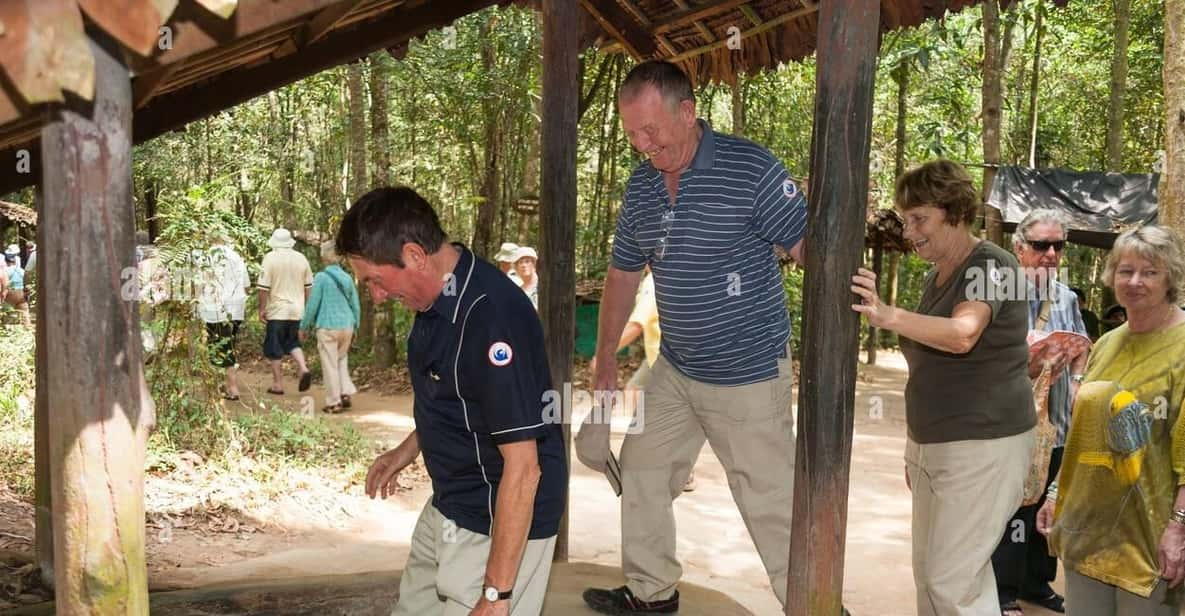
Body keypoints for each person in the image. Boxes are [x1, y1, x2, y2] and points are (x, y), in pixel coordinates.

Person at [579, 60, 805, 614]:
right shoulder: (642, 187)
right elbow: (623, 275)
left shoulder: (750, 169)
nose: (642, 144)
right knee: (643, 470)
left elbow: (811, 251)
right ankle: (652, 591)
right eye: (632, 134)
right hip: (677, 369)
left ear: (688, 111)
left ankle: (812, 605)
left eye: (651, 130)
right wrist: (606, 355)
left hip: (748, 372)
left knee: (771, 503)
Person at [338, 186, 566, 616]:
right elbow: (456, 396)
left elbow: (524, 467)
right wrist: (407, 450)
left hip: (496, 517)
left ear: (415, 255)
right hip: (450, 502)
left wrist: (497, 594)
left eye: (376, 281)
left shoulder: (491, 320)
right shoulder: (435, 300)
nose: (377, 296)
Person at [851, 159, 1036, 616]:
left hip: (984, 445)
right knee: (932, 578)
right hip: (938, 446)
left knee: (952, 582)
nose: (910, 232)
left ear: (953, 211)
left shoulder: (994, 264)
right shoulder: (937, 278)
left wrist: (886, 314)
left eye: (920, 219)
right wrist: (918, 449)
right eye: (907, 219)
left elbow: (962, 334)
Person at [1037, 225, 1185, 616]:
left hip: (1149, 540)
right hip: (1088, 528)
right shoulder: (1106, 343)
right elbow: (1084, 433)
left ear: (1170, 277)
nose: (1135, 281)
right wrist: (1056, 493)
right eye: (1125, 270)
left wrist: (1179, 528)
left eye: (1149, 272)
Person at [991, 210, 1089, 616]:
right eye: (1040, 245)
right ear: (1018, 248)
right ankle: (1003, 590)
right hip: (1014, 420)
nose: (1050, 254)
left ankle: (1037, 583)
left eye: (1058, 246)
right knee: (1014, 506)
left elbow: (1083, 346)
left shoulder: (1066, 298)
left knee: (1048, 501)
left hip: (1057, 424)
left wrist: (1076, 365)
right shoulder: (998, 291)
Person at [299, 241, 361, 414]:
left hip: (328, 326)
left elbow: (312, 305)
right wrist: (356, 325)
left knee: (330, 364)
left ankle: (334, 402)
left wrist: (304, 326)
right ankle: (344, 393)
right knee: (341, 360)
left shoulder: (321, 278)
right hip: (347, 325)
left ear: (323, 257)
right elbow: (355, 304)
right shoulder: (347, 278)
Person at [195, 232, 251, 400]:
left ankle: (231, 388)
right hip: (235, 308)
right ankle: (225, 385)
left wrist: (196, 303)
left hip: (215, 308)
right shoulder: (237, 257)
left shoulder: (206, 257)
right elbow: (247, 285)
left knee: (218, 347)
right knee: (228, 344)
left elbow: (199, 284)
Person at [258, 228, 313, 395]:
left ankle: (277, 384)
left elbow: (263, 287)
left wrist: (262, 308)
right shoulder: (301, 258)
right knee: (293, 343)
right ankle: (303, 367)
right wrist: (307, 311)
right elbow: (309, 287)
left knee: (274, 348)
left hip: (277, 310)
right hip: (297, 310)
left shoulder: (270, 258)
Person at [3, 250, 30, 327]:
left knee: (8, 312)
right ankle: (27, 328)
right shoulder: (21, 270)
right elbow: (26, 283)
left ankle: (8, 328)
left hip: (9, 293)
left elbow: (4, 283)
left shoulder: (5, 271)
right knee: (25, 313)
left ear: (6, 261)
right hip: (21, 293)